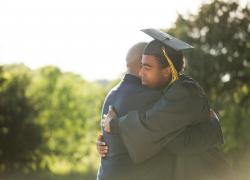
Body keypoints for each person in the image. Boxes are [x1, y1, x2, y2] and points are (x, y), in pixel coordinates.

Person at [101, 29, 234, 180]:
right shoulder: (170, 90)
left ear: (166, 71)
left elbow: (159, 130)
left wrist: (115, 125)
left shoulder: (184, 92)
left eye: (147, 67)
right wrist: (110, 142)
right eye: (141, 65)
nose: (141, 73)